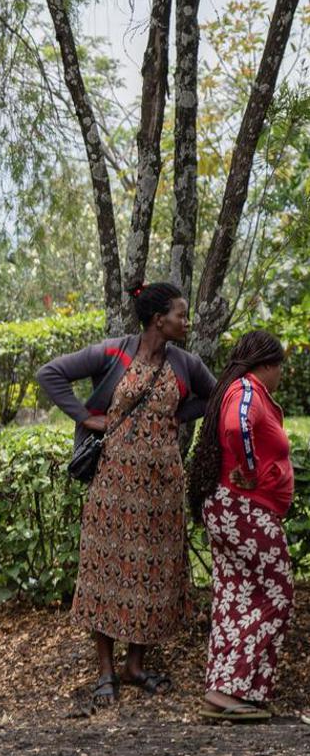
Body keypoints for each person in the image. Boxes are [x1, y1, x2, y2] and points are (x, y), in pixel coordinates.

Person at [36, 282, 216, 712]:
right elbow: (50, 374)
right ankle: (105, 671)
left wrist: (179, 413)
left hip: (162, 486)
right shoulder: (113, 353)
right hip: (114, 484)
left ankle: (135, 666)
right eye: (180, 314)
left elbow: (215, 395)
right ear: (159, 319)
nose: (185, 321)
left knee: (151, 574)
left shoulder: (185, 363)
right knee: (108, 573)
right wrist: (84, 416)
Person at [187, 331, 292, 722]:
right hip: (242, 508)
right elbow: (236, 429)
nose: (281, 374)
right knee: (275, 592)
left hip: (233, 508)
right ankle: (235, 687)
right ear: (267, 364)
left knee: (237, 597)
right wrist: (249, 471)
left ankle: (222, 693)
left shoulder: (239, 388)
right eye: (279, 366)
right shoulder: (247, 390)